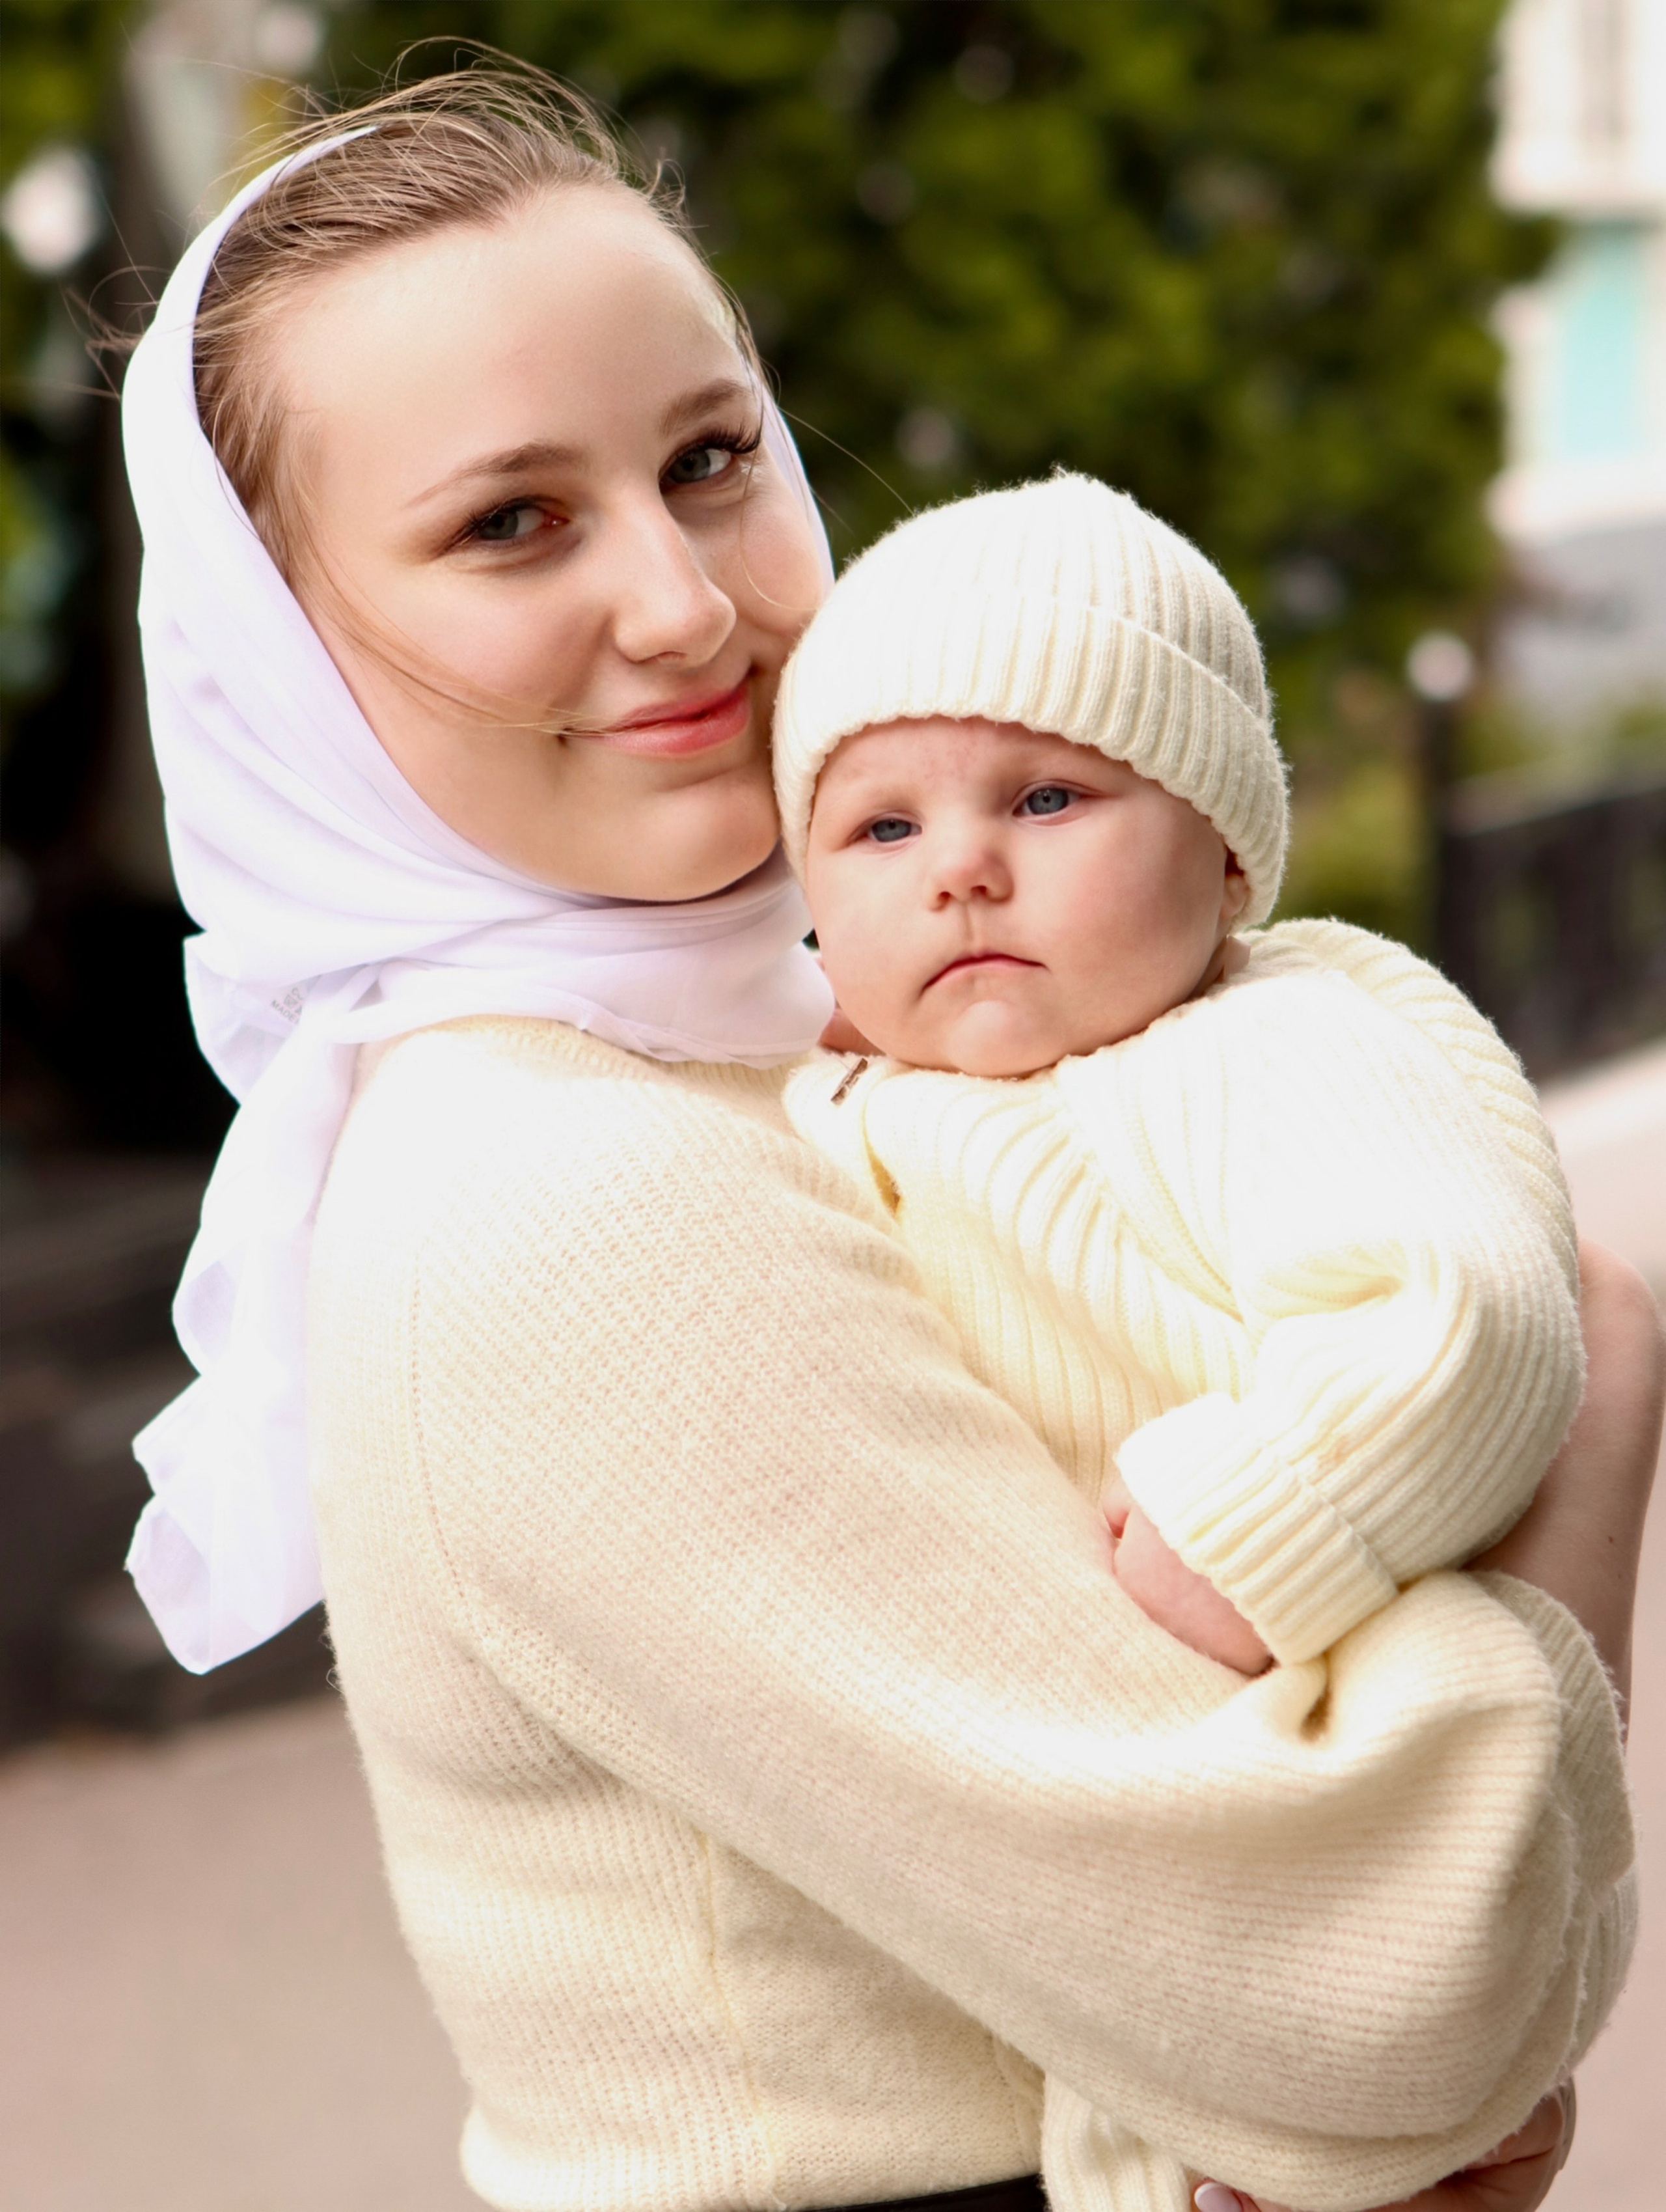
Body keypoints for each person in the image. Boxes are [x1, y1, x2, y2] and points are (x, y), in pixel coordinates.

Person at [116, 62, 1661, 2212]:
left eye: (712, 458)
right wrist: (1585, 1413)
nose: (682, 607)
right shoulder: (560, 1201)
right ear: (274, 665)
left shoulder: (812, 1055)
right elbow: (1375, 1983)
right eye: (510, 522)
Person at [771, 473, 1609, 2212]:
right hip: (1116, 1824)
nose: (966, 870)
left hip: (1340, 1706)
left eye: (1049, 794)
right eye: (881, 831)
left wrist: (1265, 1519)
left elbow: (1465, 1309)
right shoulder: (844, 1111)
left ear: (1227, 849)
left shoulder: (1277, 1041)